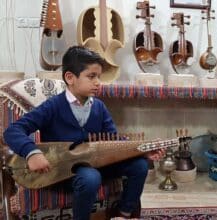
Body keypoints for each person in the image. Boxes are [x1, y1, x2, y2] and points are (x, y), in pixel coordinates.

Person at [3, 46, 165, 220]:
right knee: (90, 177)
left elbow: (113, 140)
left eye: (99, 77)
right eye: (91, 76)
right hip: (66, 171)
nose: (98, 82)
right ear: (70, 77)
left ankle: (123, 214)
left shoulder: (99, 107)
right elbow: (13, 131)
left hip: (99, 164)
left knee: (139, 165)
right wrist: (31, 152)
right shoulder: (53, 106)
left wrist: (141, 150)